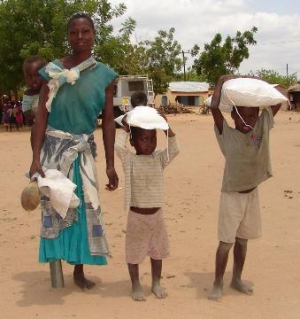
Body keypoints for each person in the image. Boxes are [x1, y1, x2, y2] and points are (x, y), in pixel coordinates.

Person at [29, 12, 119, 290]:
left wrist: (110, 164)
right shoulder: (53, 71)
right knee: (53, 210)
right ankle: (56, 269)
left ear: (94, 34)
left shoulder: (104, 75)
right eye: (73, 32)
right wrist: (35, 159)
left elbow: (107, 122)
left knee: (83, 208)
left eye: (85, 31)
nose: (79, 37)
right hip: (53, 153)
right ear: (68, 36)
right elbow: (41, 117)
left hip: (81, 153)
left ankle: (79, 270)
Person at [208, 75, 281, 301]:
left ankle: (236, 278)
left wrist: (257, 81)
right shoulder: (227, 135)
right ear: (233, 116)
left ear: (258, 115)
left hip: (251, 193)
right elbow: (213, 107)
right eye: (243, 116)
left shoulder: (261, 127)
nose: (248, 120)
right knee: (225, 243)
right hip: (232, 196)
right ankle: (218, 282)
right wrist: (221, 81)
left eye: (252, 115)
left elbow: (278, 99)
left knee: (242, 241)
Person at [115, 108, 180, 301]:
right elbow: (119, 147)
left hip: (156, 217)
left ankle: (156, 283)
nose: (150, 143)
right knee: (133, 254)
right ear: (133, 142)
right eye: (144, 139)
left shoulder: (159, 158)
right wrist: (126, 127)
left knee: (157, 252)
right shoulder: (130, 160)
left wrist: (166, 126)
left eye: (153, 138)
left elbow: (175, 149)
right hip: (137, 217)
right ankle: (135, 285)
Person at [22, 55, 47, 126]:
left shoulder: (51, 89)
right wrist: (35, 113)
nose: (33, 80)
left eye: (37, 75)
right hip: (39, 129)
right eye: (29, 77)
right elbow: (26, 113)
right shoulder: (28, 94)